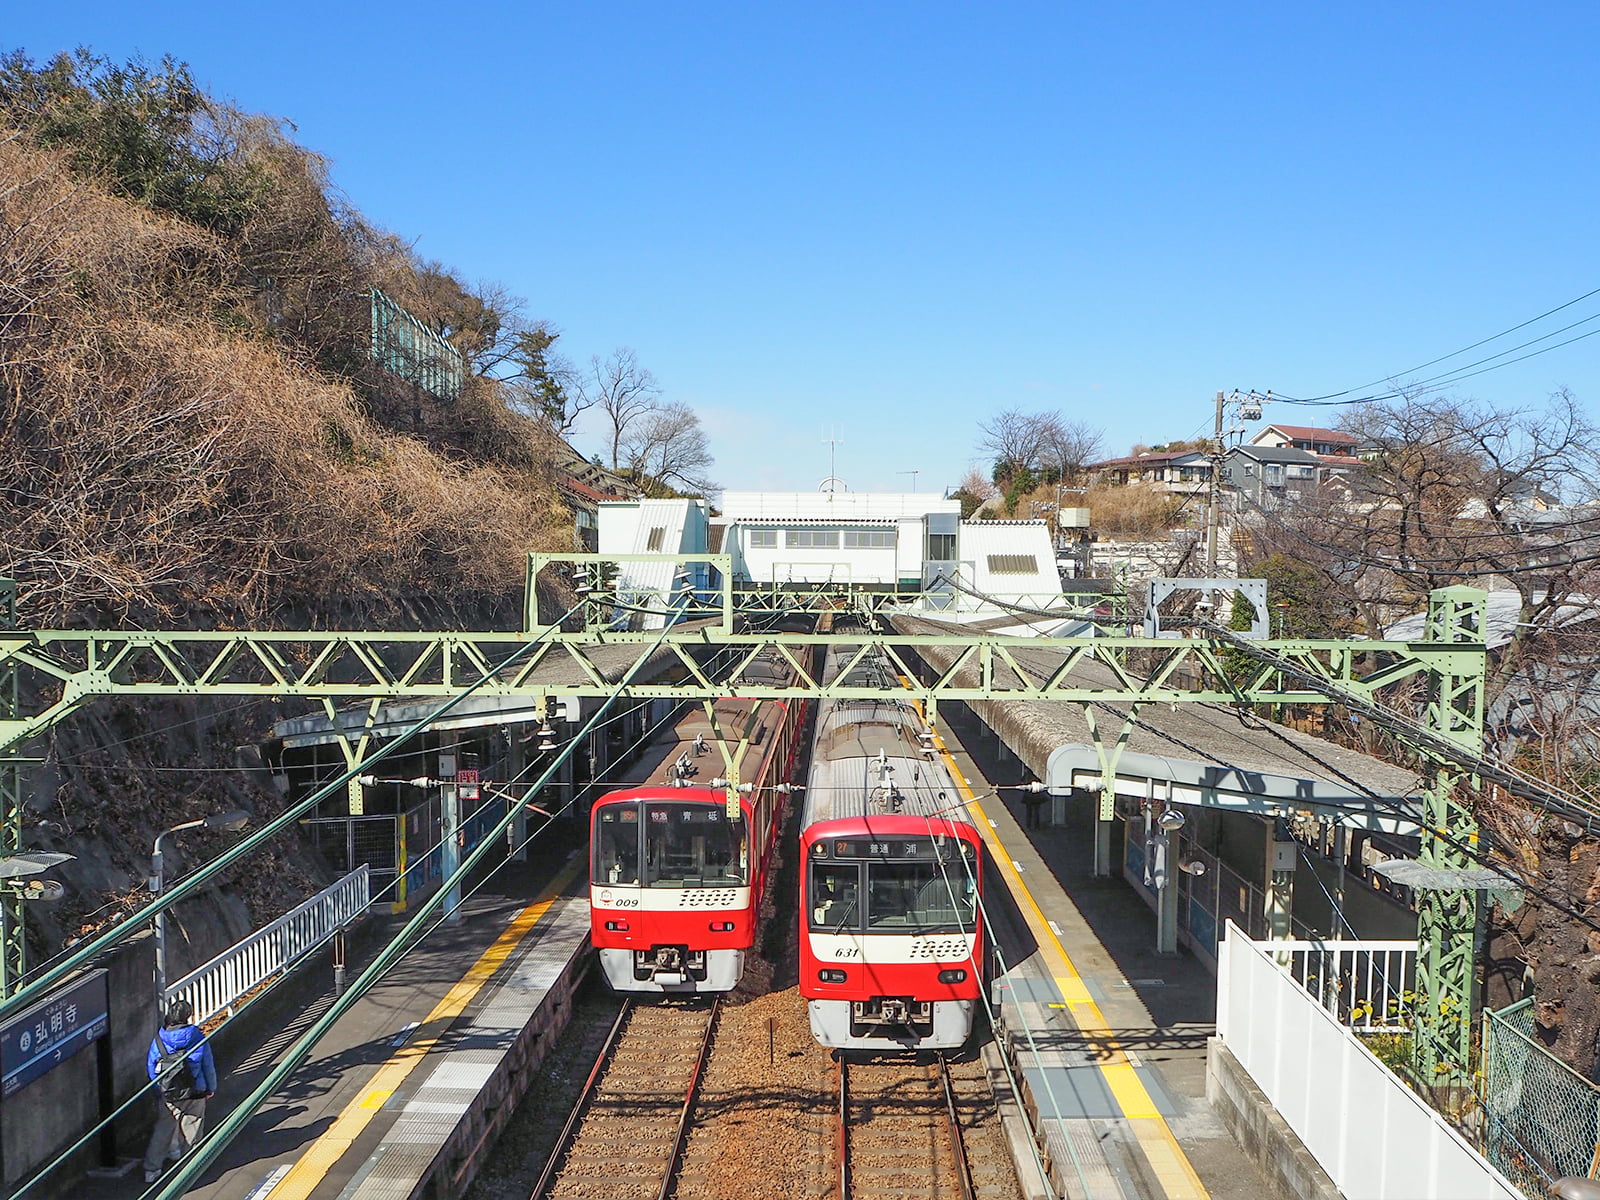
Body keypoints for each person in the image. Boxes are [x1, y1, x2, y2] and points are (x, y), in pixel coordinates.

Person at [143, 999, 216, 1183]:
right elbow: (208, 1065)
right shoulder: (197, 1037)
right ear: (187, 1016)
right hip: (195, 1090)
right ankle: (188, 1169)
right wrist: (210, 1088)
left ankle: (152, 1169)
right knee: (192, 1128)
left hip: (168, 1092)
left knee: (163, 1129)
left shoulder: (159, 1040)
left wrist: (159, 1088)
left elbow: (151, 1067)